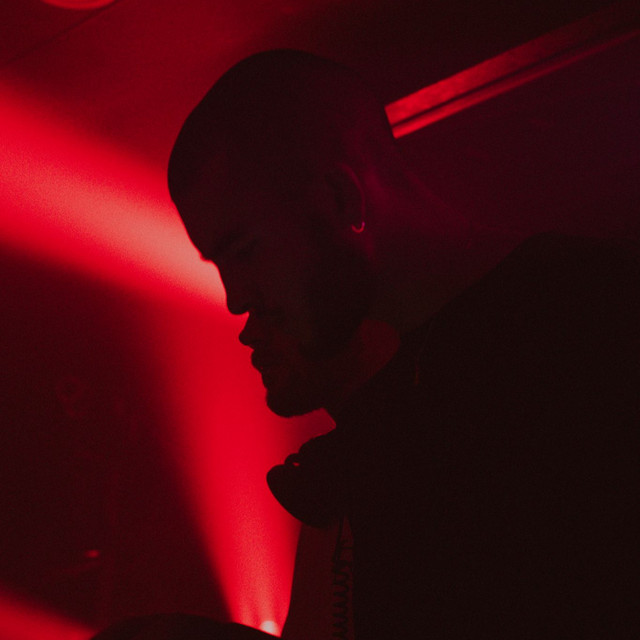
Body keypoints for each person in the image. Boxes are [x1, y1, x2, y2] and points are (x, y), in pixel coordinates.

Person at [100, 49, 639, 638]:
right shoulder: (393, 417)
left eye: (246, 251)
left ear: (342, 198)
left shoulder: (591, 313)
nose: (235, 298)